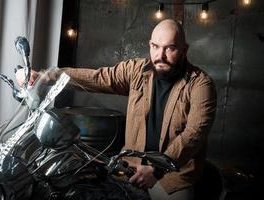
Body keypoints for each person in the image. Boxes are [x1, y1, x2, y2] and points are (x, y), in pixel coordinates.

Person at [16, 19, 217, 200]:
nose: (160, 56)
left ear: (184, 49)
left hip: (172, 175)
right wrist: (46, 76)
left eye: (170, 49)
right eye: (155, 47)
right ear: (149, 45)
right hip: (130, 165)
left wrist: (156, 169)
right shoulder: (138, 71)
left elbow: (194, 134)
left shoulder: (200, 84)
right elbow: (98, 77)